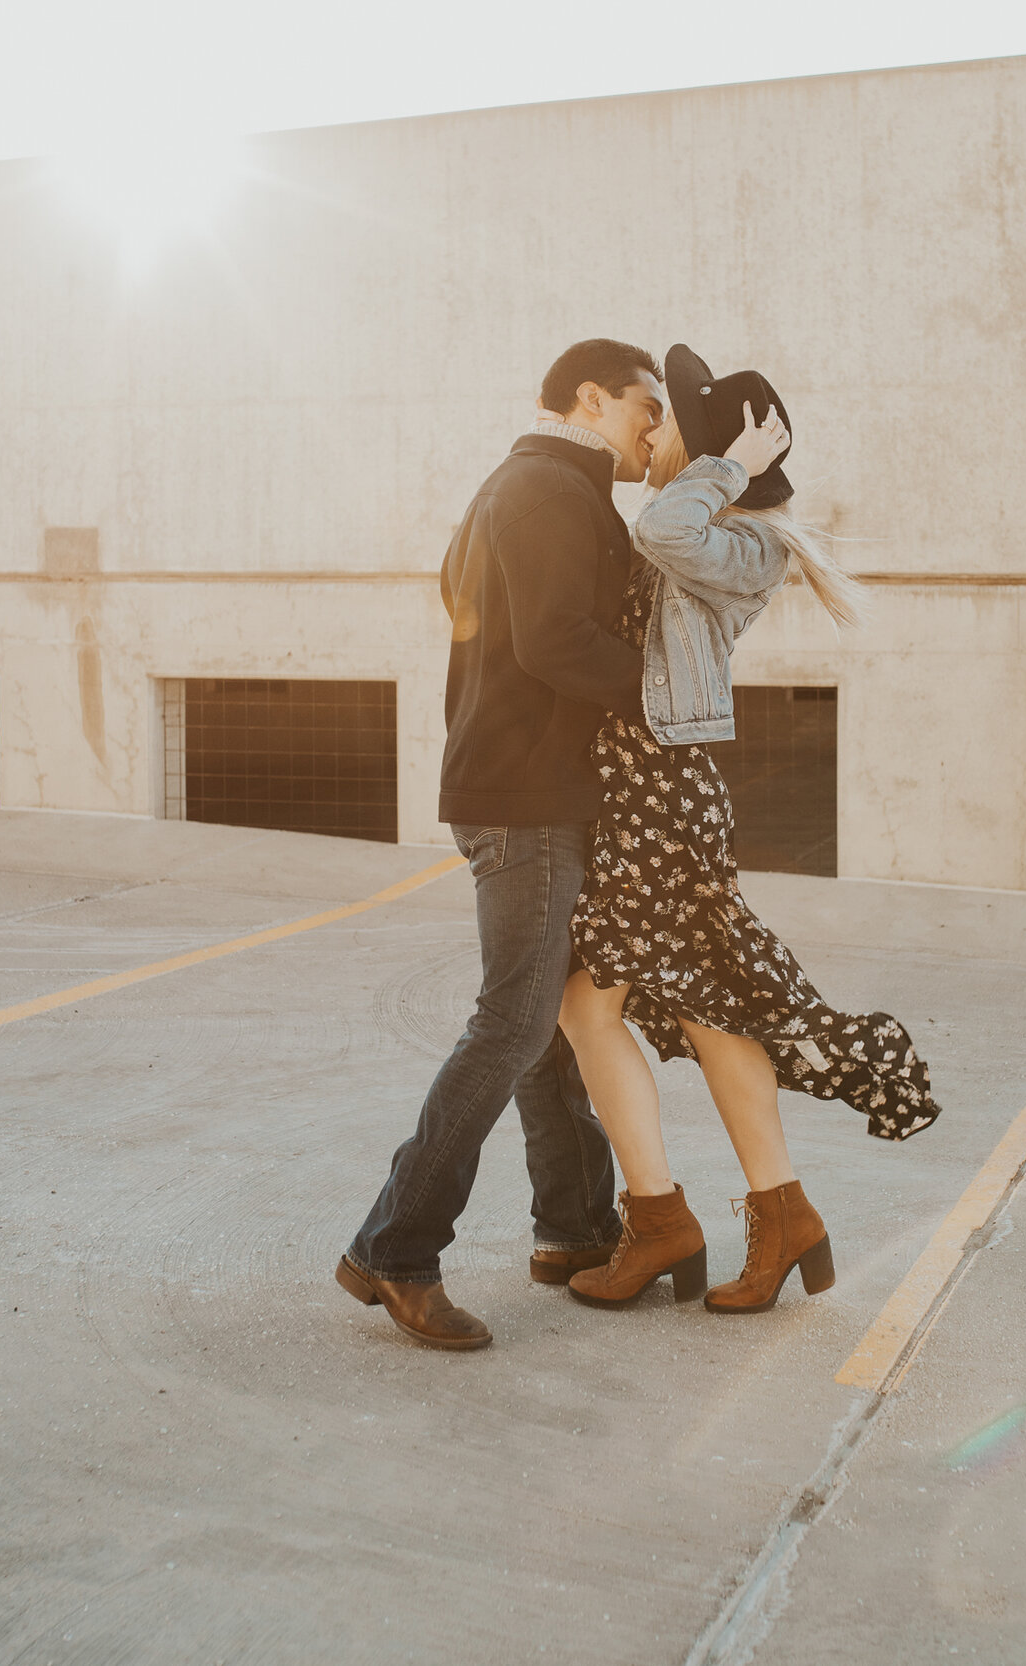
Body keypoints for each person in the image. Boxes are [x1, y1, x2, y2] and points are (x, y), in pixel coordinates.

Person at [558, 344, 941, 1316]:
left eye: (669, 418)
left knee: (616, 1009)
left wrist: (721, 462)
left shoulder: (740, 540)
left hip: (663, 799)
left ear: (711, 447)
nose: (653, 430)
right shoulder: (710, 521)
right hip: (634, 792)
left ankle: (680, 1220)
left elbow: (663, 531)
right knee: (689, 1005)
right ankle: (761, 1215)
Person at [336, 338, 668, 1350]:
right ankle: (394, 1249)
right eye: (645, 409)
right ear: (590, 397)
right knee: (515, 1022)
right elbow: (554, 640)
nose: (653, 430)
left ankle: (571, 1229)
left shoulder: (540, 490)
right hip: (524, 796)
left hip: (527, 785)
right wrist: (671, 691)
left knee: (551, 1019)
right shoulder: (543, 491)